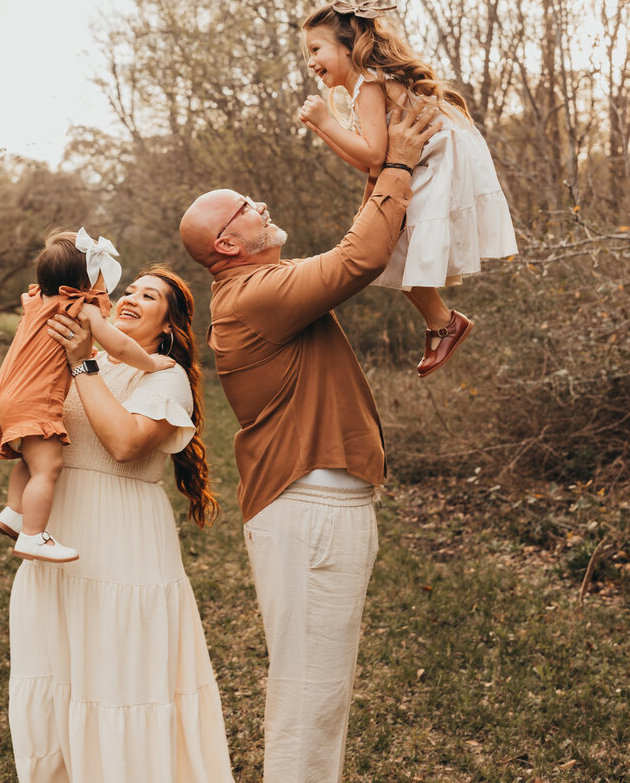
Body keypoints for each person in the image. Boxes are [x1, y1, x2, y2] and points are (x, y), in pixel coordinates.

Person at [179, 99, 441, 783]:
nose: (261, 203)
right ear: (228, 245)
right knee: (309, 696)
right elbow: (360, 256)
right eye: (246, 205)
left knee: (320, 693)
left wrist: (384, 166)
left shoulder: (264, 287)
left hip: (324, 510)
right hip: (311, 513)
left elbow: (363, 241)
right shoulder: (252, 296)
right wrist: (399, 162)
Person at [7, 265, 235, 783]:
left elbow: (126, 444)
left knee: (119, 678)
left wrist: (83, 362)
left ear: (169, 327)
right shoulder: (74, 356)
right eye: (129, 289)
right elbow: (16, 417)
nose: (131, 296)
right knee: (57, 671)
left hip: (122, 542)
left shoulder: (163, 376)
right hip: (61, 533)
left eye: (149, 295)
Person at [299, 0, 517, 376]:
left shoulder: (369, 84)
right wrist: (323, 129)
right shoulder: (365, 87)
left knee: (392, 242)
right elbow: (372, 160)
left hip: (438, 157)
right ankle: (443, 322)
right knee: (385, 240)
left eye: (316, 49)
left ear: (347, 46)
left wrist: (325, 122)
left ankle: (444, 322)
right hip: (432, 156)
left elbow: (372, 154)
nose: (310, 62)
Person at [0, 228, 174, 563]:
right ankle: (33, 537)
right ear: (81, 285)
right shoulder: (81, 308)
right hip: (35, 400)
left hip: (4, 395)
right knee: (47, 467)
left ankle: (13, 511)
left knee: (31, 455)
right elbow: (120, 345)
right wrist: (150, 362)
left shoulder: (36, 300)